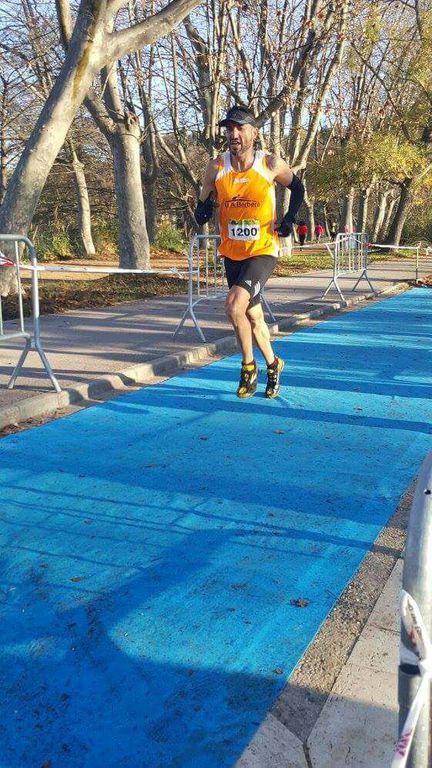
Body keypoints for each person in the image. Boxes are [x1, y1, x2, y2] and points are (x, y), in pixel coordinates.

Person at [194, 105, 304, 399]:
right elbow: (202, 204)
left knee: (233, 307)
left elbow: (298, 188)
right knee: (253, 317)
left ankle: (248, 366)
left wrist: (290, 219)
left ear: (254, 132)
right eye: (229, 129)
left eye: (240, 128)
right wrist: (202, 210)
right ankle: (274, 363)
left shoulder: (269, 164)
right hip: (232, 252)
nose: (234, 134)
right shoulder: (216, 167)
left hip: (262, 251)